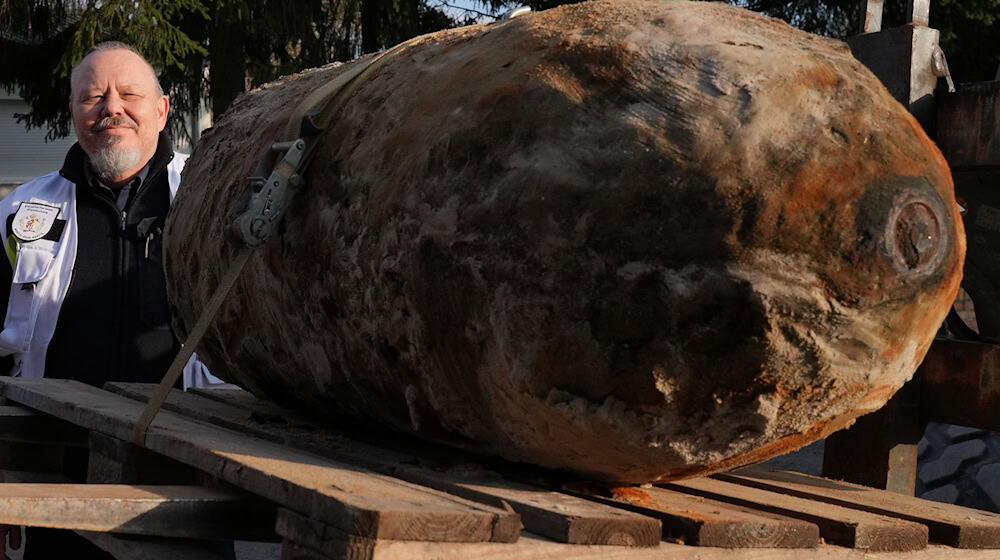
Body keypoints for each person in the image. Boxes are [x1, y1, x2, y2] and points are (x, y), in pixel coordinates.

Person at [0, 41, 230, 560]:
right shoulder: (20, 213)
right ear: (74, 113)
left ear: (162, 110)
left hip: (192, 480)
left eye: (129, 94)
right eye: (93, 97)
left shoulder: (211, 201)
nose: (111, 108)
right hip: (57, 484)